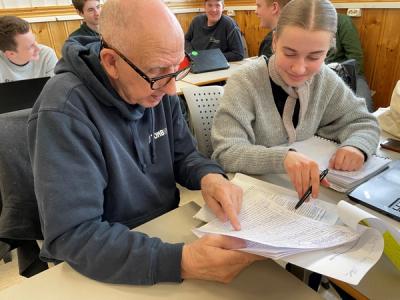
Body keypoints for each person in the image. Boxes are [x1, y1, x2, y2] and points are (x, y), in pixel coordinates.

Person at [28, 0, 261, 285]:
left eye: (177, 68)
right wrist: (181, 262)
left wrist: (209, 176)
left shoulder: (159, 88)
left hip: (166, 233)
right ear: (111, 62)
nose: (173, 89)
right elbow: (73, 235)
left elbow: (184, 155)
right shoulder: (64, 110)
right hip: (107, 260)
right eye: (159, 72)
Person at [211, 0, 380, 200]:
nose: (299, 68)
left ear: (328, 51)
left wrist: (356, 146)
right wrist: (282, 158)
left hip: (306, 196)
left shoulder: (325, 79)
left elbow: (363, 121)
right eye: (289, 53)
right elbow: (226, 152)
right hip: (253, 197)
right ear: (274, 42)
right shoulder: (245, 82)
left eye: (314, 57)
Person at [325, 14, 374, 112]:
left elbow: (356, 57)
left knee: (363, 108)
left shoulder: (342, 21)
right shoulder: (303, 22)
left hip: (348, 72)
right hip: (319, 75)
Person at [0, 16, 58, 83]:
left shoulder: (46, 54)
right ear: (11, 54)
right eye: (30, 46)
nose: (38, 48)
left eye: (35, 40)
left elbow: (57, 89)